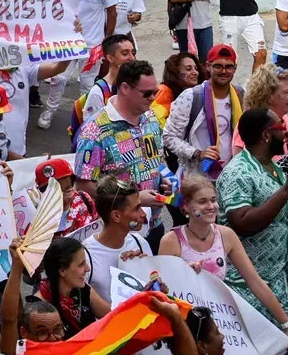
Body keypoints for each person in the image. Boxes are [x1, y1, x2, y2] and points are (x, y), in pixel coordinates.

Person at [159, 176, 288, 326]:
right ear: (186, 207)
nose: (211, 206)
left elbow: (255, 281)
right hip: (187, 320)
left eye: (213, 200)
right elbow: (163, 290)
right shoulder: (172, 241)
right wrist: (184, 275)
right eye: (202, 202)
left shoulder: (225, 234)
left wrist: (286, 323)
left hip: (220, 317)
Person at [74, 60, 170, 245]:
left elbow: (158, 159)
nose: (153, 98)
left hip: (153, 225)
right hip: (118, 235)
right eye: (147, 93)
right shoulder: (95, 131)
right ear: (125, 88)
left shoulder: (150, 118)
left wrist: (168, 179)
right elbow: (84, 184)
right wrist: (131, 200)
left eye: (155, 92)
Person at [217, 107, 288, 322]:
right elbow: (242, 223)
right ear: (266, 135)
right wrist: (285, 192)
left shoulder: (273, 167)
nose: (286, 132)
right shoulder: (238, 172)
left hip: (279, 280)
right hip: (249, 287)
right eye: (281, 127)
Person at [41, 0, 118, 129]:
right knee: (58, 77)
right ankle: (49, 110)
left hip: (92, 43)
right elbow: (61, 0)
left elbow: (112, 12)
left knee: (86, 83)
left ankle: (87, 120)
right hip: (69, 38)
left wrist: (106, 41)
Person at [164, 44, 241, 181]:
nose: (224, 71)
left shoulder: (240, 94)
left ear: (235, 68)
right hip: (198, 179)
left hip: (233, 176)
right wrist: (197, 153)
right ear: (208, 66)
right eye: (218, 66)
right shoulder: (191, 96)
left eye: (229, 66)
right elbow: (169, 137)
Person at [81, 175, 152, 302]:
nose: (143, 214)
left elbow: (154, 292)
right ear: (116, 216)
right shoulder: (86, 256)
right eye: (137, 208)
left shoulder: (140, 243)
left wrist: (142, 268)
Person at [32, 236, 107, 338]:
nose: (87, 269)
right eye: (81, 265)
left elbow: (115, 317)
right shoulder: (38, 306)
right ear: (62, 271)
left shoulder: (84, 290)